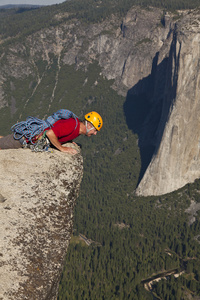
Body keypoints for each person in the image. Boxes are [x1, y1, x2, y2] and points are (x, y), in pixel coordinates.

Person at [0, 111, 103, 155]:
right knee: (2, 145)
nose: (95, 133)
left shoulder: (77, 129)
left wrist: (69, 141)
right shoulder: (72, 125)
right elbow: (50, 133)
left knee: (4, 141)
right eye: (95, 130)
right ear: (89, 126)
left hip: (31, 140)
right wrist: (62, 148)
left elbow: (61, 132)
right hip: (26, 139)